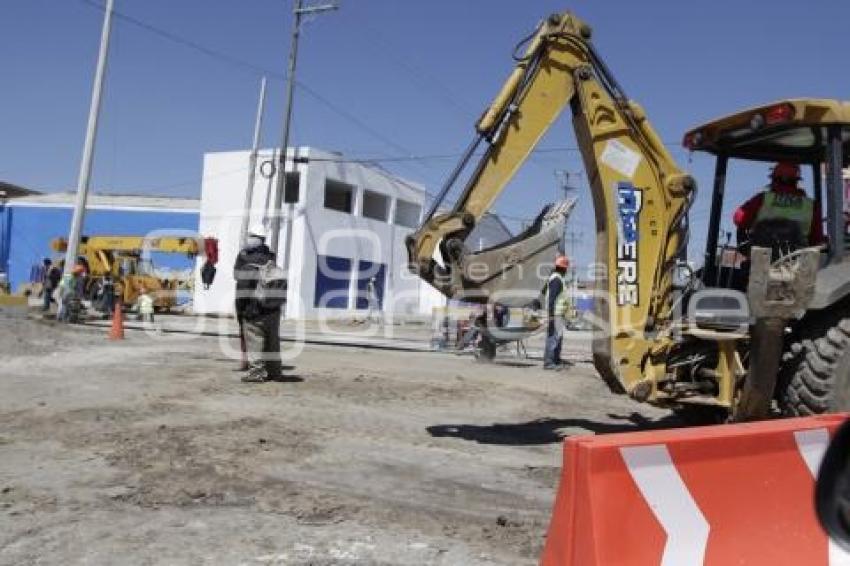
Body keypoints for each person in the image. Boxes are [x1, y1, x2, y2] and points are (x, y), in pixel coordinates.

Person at [733, 162, 825, 248]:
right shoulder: (812, 206)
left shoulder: (762, 199)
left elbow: (739, 219)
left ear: (774, 180)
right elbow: (816, 239)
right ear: (796, 182)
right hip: (799, 260)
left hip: (761, 257)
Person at [234, 232, 282, 383]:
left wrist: (241, 310)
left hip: (254, 310)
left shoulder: (248, 264)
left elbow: (242, 291)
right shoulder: (271, 261)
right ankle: (275, 371)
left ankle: (256, 372)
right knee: (272, 341)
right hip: (273, 310)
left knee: (255, 340)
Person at [543, 254, 571, 370]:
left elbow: (545, 292)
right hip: (555, 314)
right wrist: (550, 315)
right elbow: (551, 298)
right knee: (553, 338)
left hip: (558, 314)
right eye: (566, 268)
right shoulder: (556, 280)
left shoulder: (556, 278)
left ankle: (555, 359)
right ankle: (549, 362)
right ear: (563, 268)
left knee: (557, 338)